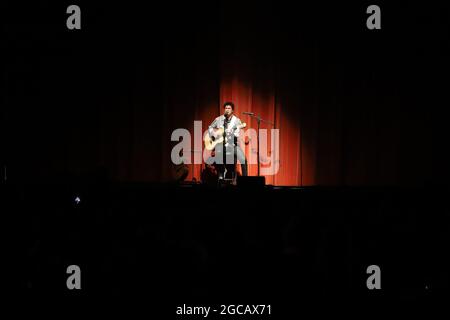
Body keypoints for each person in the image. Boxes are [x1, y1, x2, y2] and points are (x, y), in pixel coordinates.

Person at [207, 102, 248, 180]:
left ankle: (245, 180)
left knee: (243, 160)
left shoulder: (236, 120)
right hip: (221, 144)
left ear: (232, 110)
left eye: (229, 108)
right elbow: (210, 127)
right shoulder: (218, 119)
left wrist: (232, 133)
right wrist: (214, 135)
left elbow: (239, 130)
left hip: (232, 144)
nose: (227, 110)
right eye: (226, 108)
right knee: (219, 157)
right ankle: (221, 176)